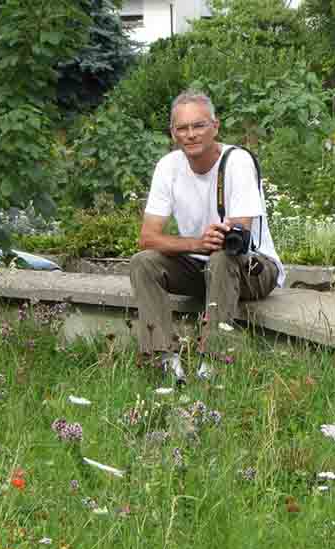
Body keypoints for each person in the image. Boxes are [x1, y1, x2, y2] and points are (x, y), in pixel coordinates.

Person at [130, 90, 285, 383]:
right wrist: (196, 243)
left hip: (253, 267)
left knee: (222, 257)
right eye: (183, 128)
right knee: (143, 262)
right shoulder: (168, 167)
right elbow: (148, 238)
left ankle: (212, 364)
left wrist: (218, 238)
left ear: (216, 126)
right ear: (173, 133)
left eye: (199, 125)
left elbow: (240, 236)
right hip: (201, 264)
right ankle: (165, 359)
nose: (191, 135)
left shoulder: (237, 161)